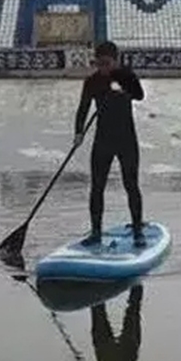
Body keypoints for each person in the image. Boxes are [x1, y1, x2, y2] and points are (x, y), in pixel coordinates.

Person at [73, 40, 145, 247]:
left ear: (116, 61)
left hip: (126, 140)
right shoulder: (92, 81)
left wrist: (122, 85)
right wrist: (78, 133)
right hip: (103, 140)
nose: (102, 67)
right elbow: (83, 108)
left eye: (106, 63)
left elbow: (140, 96)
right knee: (97, 187)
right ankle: (96, 233)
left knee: (131, 185)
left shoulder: (126, 76)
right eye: (98, 63)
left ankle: (138, 231)